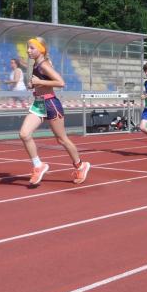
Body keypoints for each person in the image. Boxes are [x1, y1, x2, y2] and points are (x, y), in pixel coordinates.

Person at [19, 37, 91, 186]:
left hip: (51, 103)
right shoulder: (36, 64)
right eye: (28, 47)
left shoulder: (44, 65)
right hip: (39, 103)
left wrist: (39, 82)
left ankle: (80, 165)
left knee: (62, 139)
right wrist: (33, 85)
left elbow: (61, 82)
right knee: (24, 134)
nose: (28, 51)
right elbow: (42, 83)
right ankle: (38, 165)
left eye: (32, 48)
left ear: (41, 49)